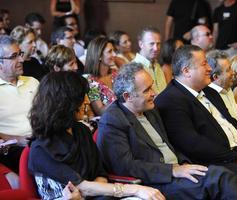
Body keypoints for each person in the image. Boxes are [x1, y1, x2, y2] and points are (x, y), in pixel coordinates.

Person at [97, 62, 237, 199]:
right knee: (222, 179)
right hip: (155, 181)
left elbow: (169, 145)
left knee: (223, 175)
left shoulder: (150, 109)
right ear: (127, 96)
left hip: (178, 169)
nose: (154, 93)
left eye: (152, 86)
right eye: (146, 90)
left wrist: (185, 163)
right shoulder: (112, 120)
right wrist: (172, 170)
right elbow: (125, 166)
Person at [155, 45, 237, 200]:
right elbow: (193, 144)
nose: (210, 68)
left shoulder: (208, 90)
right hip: (212, 161)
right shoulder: (170, 99)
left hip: (235, 150)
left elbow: (232, 121)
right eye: (204, 64)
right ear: (186, 71)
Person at [28, 71, 165, 200]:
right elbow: (82, 186)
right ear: (65, 104)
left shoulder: (81, 131)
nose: (87, 101)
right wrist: (134, 189)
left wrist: (102, 191)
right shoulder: (40, 149)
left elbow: (100, 173)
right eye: (82, 97)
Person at [0, 35, 39, 172]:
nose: (21, 59)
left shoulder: (33, 82)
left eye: (20, 54)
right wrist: (17, 139)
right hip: (14, 147)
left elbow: (48, 112)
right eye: (14, 56)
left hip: (41, 139)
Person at [84, 36, 117, 116]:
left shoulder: (115, 73)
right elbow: (100, 111)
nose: (114, 54)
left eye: (114, 51)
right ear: (99, 56)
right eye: (110, 51)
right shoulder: (89, 80)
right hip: (109, 122)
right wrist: (120, 100)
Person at [133, 27, 166, 94]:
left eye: (158, 44)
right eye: (151, 44)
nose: (156, 48)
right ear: (141, 44)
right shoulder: (134, 68)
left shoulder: (156, 64)